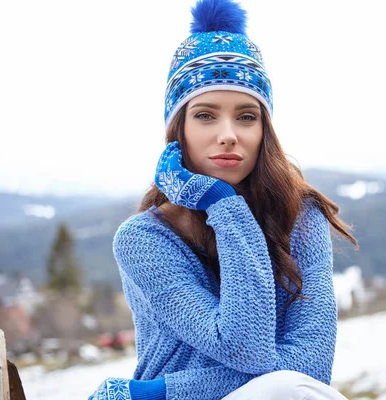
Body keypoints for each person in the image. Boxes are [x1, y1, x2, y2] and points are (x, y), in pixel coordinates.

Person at [89, 0, 358, 398]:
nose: (228, 133)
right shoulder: (144, 240)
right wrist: (225, 205)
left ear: (264, 129)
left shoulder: (300, 218)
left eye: (246, 116)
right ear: (178, 127)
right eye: (206, 115)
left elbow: (311, 363)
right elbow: (245, 347)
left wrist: (156, 393)